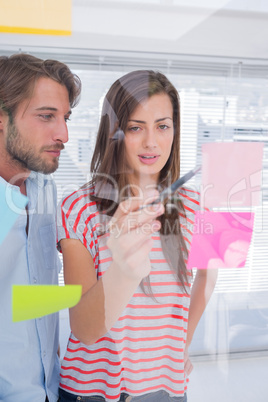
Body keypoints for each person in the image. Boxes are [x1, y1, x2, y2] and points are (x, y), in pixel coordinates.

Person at [57, 70, 217, 402]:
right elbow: (85, 329)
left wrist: (180, 346)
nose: (151, 142)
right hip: (92, 390)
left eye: (162, 126)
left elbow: (209, 278)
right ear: (113, 132)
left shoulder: (197, 203)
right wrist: (125, 271)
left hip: (166, 387)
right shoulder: (78, 207)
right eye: (135, 127)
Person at [0, 53, 81, 402]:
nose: (63, 134)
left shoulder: (46, 190)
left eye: (65, 118)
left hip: (50, 389)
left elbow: (30, 294)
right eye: (46, 116)